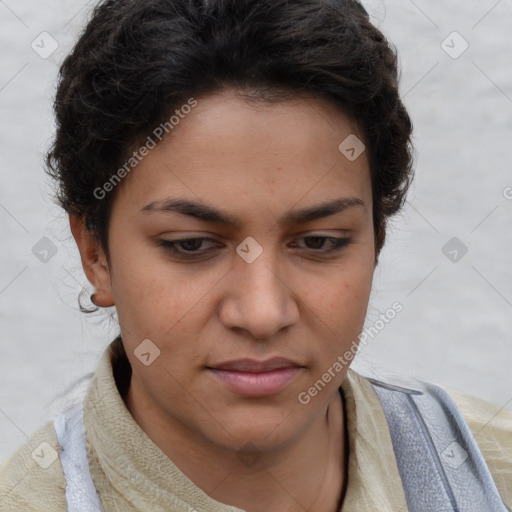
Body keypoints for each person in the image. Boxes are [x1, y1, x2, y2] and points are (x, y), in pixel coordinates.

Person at [1, 0, 511, 510]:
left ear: (377, 239)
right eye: (191, 245)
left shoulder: (492, 474)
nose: (263, 314)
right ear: (97, 254)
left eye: (319, 242)